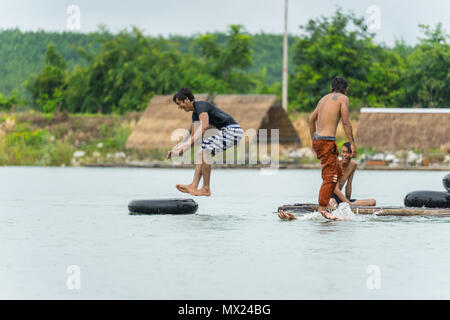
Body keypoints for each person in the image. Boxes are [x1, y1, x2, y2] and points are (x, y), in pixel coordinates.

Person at [279, 77, 356, 221]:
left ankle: (335, 203)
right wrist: (352, 143)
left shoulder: (323, 99)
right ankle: (322, 209)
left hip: (319, 140)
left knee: (337, 173)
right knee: (330, 177)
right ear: (346, 89)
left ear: (330, 87)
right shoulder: (343, 99)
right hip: (327, 142)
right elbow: (346, 122)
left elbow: (311, 119)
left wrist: (313, 141)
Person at [167, 88, 243, 196]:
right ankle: (194, 185)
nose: (179, 107)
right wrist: (177, 153)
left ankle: (206, 188)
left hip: (233, 130)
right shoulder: (195, 114)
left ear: (187, 99)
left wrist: (188, 143)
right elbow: (193, 138)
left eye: (179, 104)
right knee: (201, 152)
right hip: (228, 131)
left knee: (205, 150)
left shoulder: (201, 106)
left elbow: (205, 126)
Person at [329, 142, 376, 208]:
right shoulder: (336, 165)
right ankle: (343, 206)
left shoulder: (353, 165)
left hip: (341, 199)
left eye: (347, 152)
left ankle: (346, 205)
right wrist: (348, 203)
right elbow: (335, 189)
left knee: (373, 202)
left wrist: (348, 202)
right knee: (332, 202)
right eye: (343, 152)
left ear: (352, 154)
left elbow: (349, 185)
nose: (344, 155)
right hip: (331, 197)